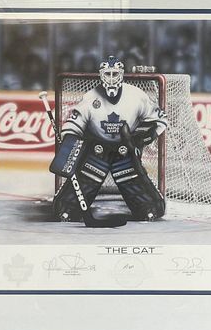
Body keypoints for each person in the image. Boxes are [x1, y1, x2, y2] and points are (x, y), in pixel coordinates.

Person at [52, 56, 167, 222]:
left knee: (145, 200)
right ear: (101, 75)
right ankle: (68, 207)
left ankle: (147, 206)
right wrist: (69, 144)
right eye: (107, 74)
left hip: (124, 149)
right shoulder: (90, 97)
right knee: (83, 185)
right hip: (97, 149)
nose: (111, 78)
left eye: (115, 74)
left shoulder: (136, 95)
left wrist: (140, 138)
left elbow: (160, 120)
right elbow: (73, 125)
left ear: (121, 74)